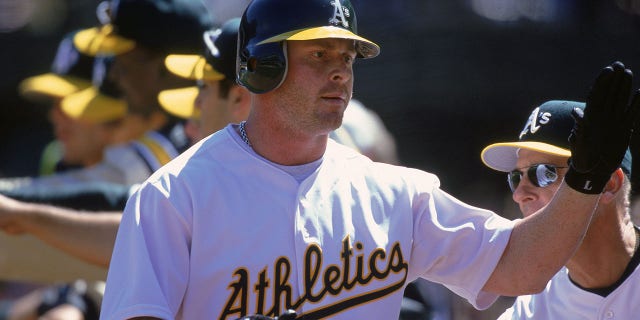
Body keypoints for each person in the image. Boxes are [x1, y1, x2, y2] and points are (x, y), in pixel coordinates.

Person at [99, 0, 640, 319]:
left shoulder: (393, 193)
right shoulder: (174, 197)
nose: (341, 71)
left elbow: (519, 265)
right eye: (319, 55)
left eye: (347, 56)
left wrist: (584, 182)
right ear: (261, 65)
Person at [479, 100, 640, 319]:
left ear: (608, 184)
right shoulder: (528, 311)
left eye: (543, 173)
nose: (519, 194)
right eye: (516, 177)